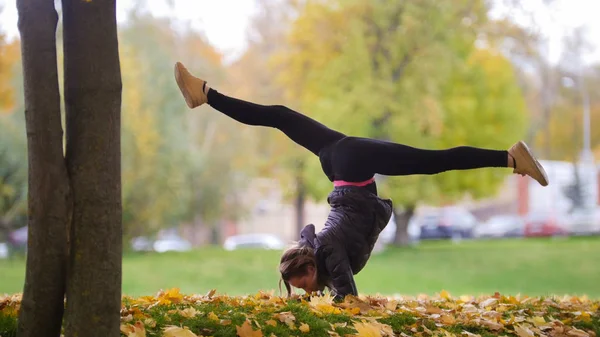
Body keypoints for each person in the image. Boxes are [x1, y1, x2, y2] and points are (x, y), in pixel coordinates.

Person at [173, 61, 548, 301]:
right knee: (281, 116)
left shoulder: (327, 256)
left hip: (349, 165)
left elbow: (347, 293)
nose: (303, 291)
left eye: (300, 285)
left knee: (434, 162)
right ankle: (203, 93)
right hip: (336, 164)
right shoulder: (316, 250)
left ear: (309, 270)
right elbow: (318, 253)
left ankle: (512, 157)